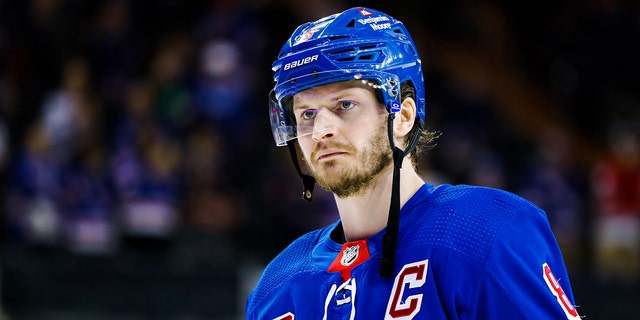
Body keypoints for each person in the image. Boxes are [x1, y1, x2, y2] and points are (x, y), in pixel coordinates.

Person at [246, 7, 581, 319]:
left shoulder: (485, 231)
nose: (321, 131)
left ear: (403, 116)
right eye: (306, 113)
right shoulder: (278, 285)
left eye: (344, 105)